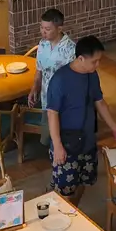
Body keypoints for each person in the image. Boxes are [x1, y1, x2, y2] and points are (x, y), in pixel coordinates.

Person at [46, 35, 116, 205]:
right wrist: (58, 145)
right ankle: (66, 211)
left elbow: (100, 102)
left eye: (99, 61)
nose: (97, 65)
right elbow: (52, 113)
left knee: (84, 181)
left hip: (88, 140)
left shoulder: (92, 75)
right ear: (81, 58)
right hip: (67, 143)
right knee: (65, 189)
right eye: (94, 61)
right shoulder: (60, 80)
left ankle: (74, 210)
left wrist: (114, 127)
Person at [30, 8, 76, 146]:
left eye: (48, 29)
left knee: (62, 138)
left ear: (59, 28)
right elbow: (39, 70)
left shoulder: (70, 49)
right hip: (46, 99)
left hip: (63, 102)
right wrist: (34, 88)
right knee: (48, 137)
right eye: (41, 27)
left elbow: (73, 80)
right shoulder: (42, 44)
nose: (43, 32)